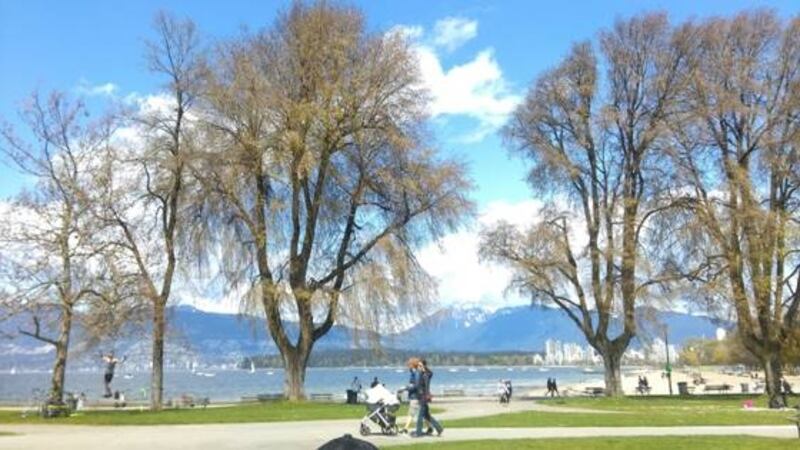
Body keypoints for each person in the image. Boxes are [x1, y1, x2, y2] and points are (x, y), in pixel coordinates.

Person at [413, 359, 443, 437]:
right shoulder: (422, 374)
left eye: (420, 366)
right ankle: (439, 428)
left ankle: (418, 433)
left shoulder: (425, 375)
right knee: (426, 415)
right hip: (422, 397)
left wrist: (426, 395)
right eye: (418, 366)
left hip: (424, 397)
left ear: (424, 366)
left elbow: (426, 386)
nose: (418, 367)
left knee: (420, 416)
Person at [401, 357, 421, 433]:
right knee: (423, 414)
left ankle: (405, 428)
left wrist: (406, 388)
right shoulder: (413, 373)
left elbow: (416, 385)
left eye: (409, 364)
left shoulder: (416, 373)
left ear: (412, 365)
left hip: (415, 396)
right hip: (414, 395)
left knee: (411, 413)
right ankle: (431, 427)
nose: (408, 366)